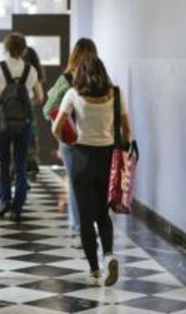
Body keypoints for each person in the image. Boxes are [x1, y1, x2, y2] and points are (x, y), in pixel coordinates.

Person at [52, 56, 132, 287]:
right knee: (102, 213)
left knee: (86, 218)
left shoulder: (73, 94)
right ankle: (108, 256)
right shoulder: (116, 94)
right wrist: (124, 151)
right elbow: (127, 128)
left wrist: (69, 142)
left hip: (82, 159)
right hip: (108, 159)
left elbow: (57, 128)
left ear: (80, 74)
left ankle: (95, 270)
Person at [43, 38, 98, 248]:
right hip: (96, 138)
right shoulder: (100, 79)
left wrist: (61, 126)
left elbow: (48, 106)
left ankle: (78, 230)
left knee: (76, 185)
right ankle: (91, 226)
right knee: (93, 184)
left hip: (70, 140)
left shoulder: (66, 79)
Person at [0, 32, 43, 222]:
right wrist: (25, 103)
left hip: (2, 121)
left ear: (6, 48)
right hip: (24, 122)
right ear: (24, 49)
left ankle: (4, 202)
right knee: (20, 165)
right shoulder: (31, 70)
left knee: (3, 163)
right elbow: (40, 97)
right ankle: (17, 207)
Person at [22, 46, 45, 178]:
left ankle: (14, 171)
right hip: (28, 112)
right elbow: (40, 97)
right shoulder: (33, 73)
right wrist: (29, 102)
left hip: (9, 114)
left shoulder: (11, 70)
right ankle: (31, 168)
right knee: (30, 140)